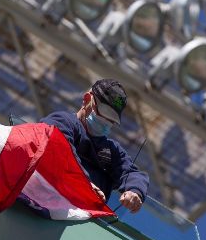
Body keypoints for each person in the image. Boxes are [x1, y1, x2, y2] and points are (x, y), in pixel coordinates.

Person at [40, 79, 149, 213]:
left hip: (83, 219)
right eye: (102, 115)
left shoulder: (111, 150)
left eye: (111, 120)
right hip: (42, 205)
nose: (105, 122)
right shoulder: (63, 122)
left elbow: (131, 173)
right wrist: (84, 185)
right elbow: (60, 149)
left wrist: (135, 192)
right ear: (86, 100)